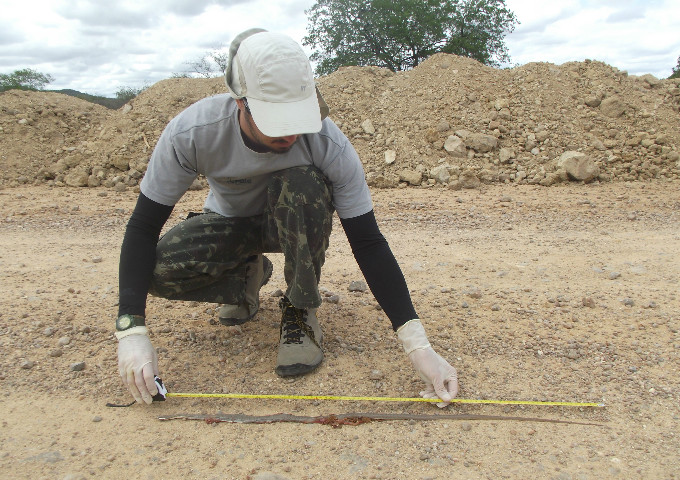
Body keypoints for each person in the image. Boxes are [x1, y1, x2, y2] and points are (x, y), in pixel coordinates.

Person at [115, 28, 458, 407]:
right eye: (276, 120)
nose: (291, 134)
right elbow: (144, 226)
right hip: (231, 225)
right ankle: (246, 275)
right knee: (158, 270)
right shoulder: (193, 133)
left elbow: (369, 242)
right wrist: (131, 331)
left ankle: (300, 309)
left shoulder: (328, 143)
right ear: (240, 102)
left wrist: (418, 345)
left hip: (295, 225)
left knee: (302, 183)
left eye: (298, 117)